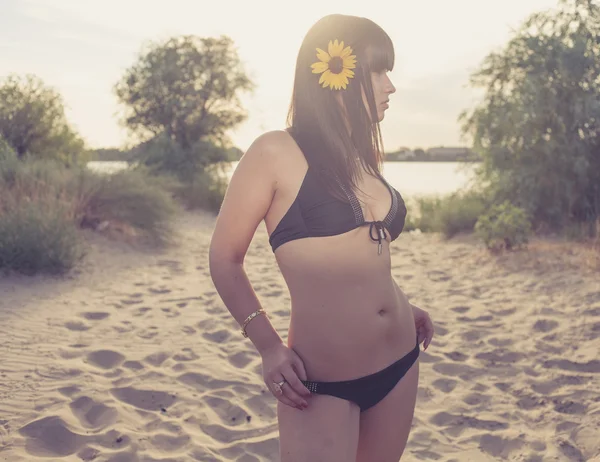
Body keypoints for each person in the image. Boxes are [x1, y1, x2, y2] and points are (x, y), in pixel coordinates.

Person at [209, 13, 435, 462]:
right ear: (338, 72)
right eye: (378, 71)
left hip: (400, 358)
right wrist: (269, 346)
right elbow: (224, 258)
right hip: (323, 379)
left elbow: (363, 259)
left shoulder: (363, 155)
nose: (390, 86)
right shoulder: (274, 151)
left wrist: (402, 306)